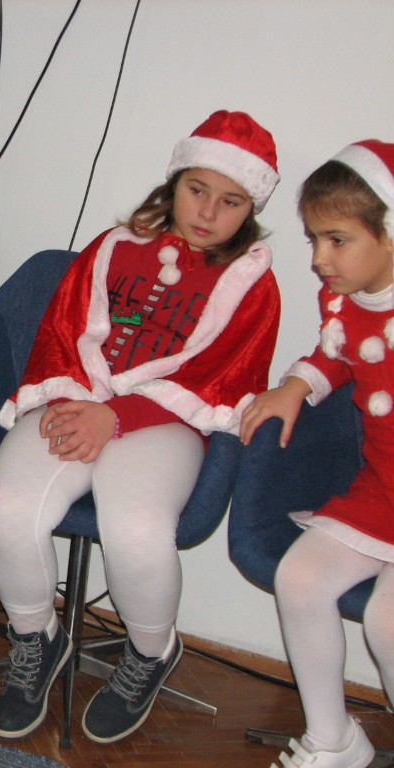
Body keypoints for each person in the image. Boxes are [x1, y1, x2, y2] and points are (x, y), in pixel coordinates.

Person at [0, 110, 283, 746]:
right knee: (5, 509)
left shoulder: (251, 283)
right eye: (197, 190)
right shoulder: (115, 246)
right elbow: (61, 329)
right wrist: (76, 399)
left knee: (136, 528)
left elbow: (225, 375)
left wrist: (118, 415)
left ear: (250, 209)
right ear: (175, 182)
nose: (208, 212)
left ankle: (150, 652)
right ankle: (36, 639)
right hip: (78, 396)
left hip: (166, 421)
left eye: (230, 202)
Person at [239, 140, 394, 768]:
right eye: (313, 240)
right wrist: (296, 386)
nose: (319, 259)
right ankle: (334, 739)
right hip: (382, 491)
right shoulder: (344, 301)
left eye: (337, 240)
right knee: (299, 578)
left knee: (386, 622)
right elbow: (336, 354)